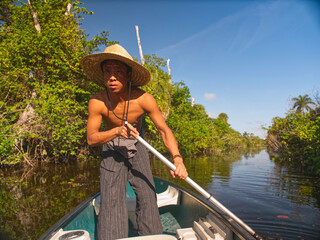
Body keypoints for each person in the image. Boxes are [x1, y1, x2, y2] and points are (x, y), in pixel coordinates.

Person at [81, 44, 188, 240]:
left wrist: (178, 159)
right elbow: (91, 138)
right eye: (108, 72)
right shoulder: (97, 102)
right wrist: (115, 131)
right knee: (111, 198)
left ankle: (151, 235)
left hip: (137, 142)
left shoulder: (143, 99)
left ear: (129, 75)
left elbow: (164, 130)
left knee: (147, 192)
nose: (112, 77)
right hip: (112, 145)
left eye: (118, 71)